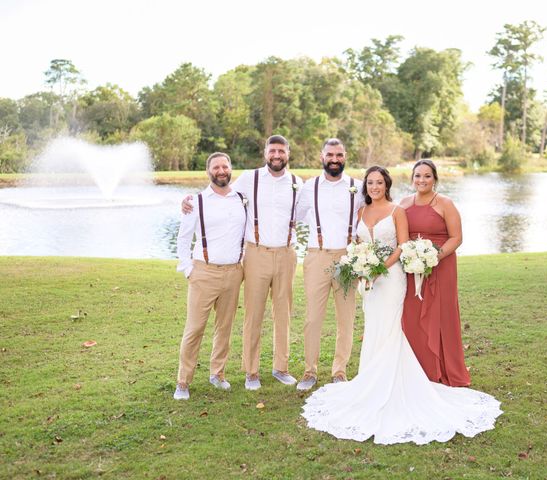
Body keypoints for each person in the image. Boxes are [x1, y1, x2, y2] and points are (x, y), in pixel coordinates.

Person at [301, 166, 502, 444]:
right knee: (373, 327)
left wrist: (378, 268)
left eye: (379, 182)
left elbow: (402, 246)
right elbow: (358, 242)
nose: (374, 187)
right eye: (370, 182)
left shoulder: (398, 211)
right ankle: (369, 381)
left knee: (392, 327)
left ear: (387, 185)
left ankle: (395, 385)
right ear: (366, 187)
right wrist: (360, 265)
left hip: (391, 278)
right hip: (369, 281)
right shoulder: (361, 212)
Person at [182, 135, 302, 390]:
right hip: (256, 254)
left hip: (286, 254)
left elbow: (312, 209)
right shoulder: (249, 179)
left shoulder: (296, 183)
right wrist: (188, 200)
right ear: (265, 153)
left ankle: (281, 367)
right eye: (272, 151)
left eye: (281, 151)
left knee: (284, 314)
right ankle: (252, 372)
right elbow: (219, 193)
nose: (277, 155)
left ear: (288, 154)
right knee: (253, 314)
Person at [173, 152, 246, 400]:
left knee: (224, 328)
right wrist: (188, 270)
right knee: (194, 328)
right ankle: (183, 381)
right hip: (203, 272)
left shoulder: (242, 199)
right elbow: (183, 239)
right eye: (216, 167)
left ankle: (217, 373)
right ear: (209, 171)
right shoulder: (196, 201)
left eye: (225, 165)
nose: (222, 170)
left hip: (234, 273)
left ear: (231, 169)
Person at [295, 139, 364, 391]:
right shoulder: (309, 187)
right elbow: (297, 216)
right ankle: (309, 371)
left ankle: (339, 371)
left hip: (348, 257)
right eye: (330, 154)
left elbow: (372, 215)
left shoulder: (358, 187)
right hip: (317, 255)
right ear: (321, 156)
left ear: (345, 156)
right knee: (313, 317)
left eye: (339, 154)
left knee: (346, 318)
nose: (335, 159)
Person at [399, 159, 471, 386]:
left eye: (427, 176)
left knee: (442, 316)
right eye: (418, 176)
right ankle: (418, 370)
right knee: (412, 317)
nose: (422, 180)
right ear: (412, 179)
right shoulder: (403, 204)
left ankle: (445, 369)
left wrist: (433, 257)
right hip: (411, 269)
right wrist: (414, 258)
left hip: (441, 267)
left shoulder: (445, 203)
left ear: (435, 178)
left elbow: (456, 237)